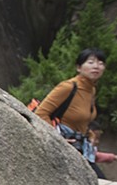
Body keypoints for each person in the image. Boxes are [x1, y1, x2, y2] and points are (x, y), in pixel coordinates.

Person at [34, 48, 107, 176]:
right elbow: (40, 113)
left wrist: (88, 133)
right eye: (90, 62)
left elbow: (82, 119)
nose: (96, 66)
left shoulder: (91, 90)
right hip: (62, 148)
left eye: (100, 63)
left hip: (80, 148)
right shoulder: (68, 87)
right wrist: (56, 138)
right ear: (79, 67)